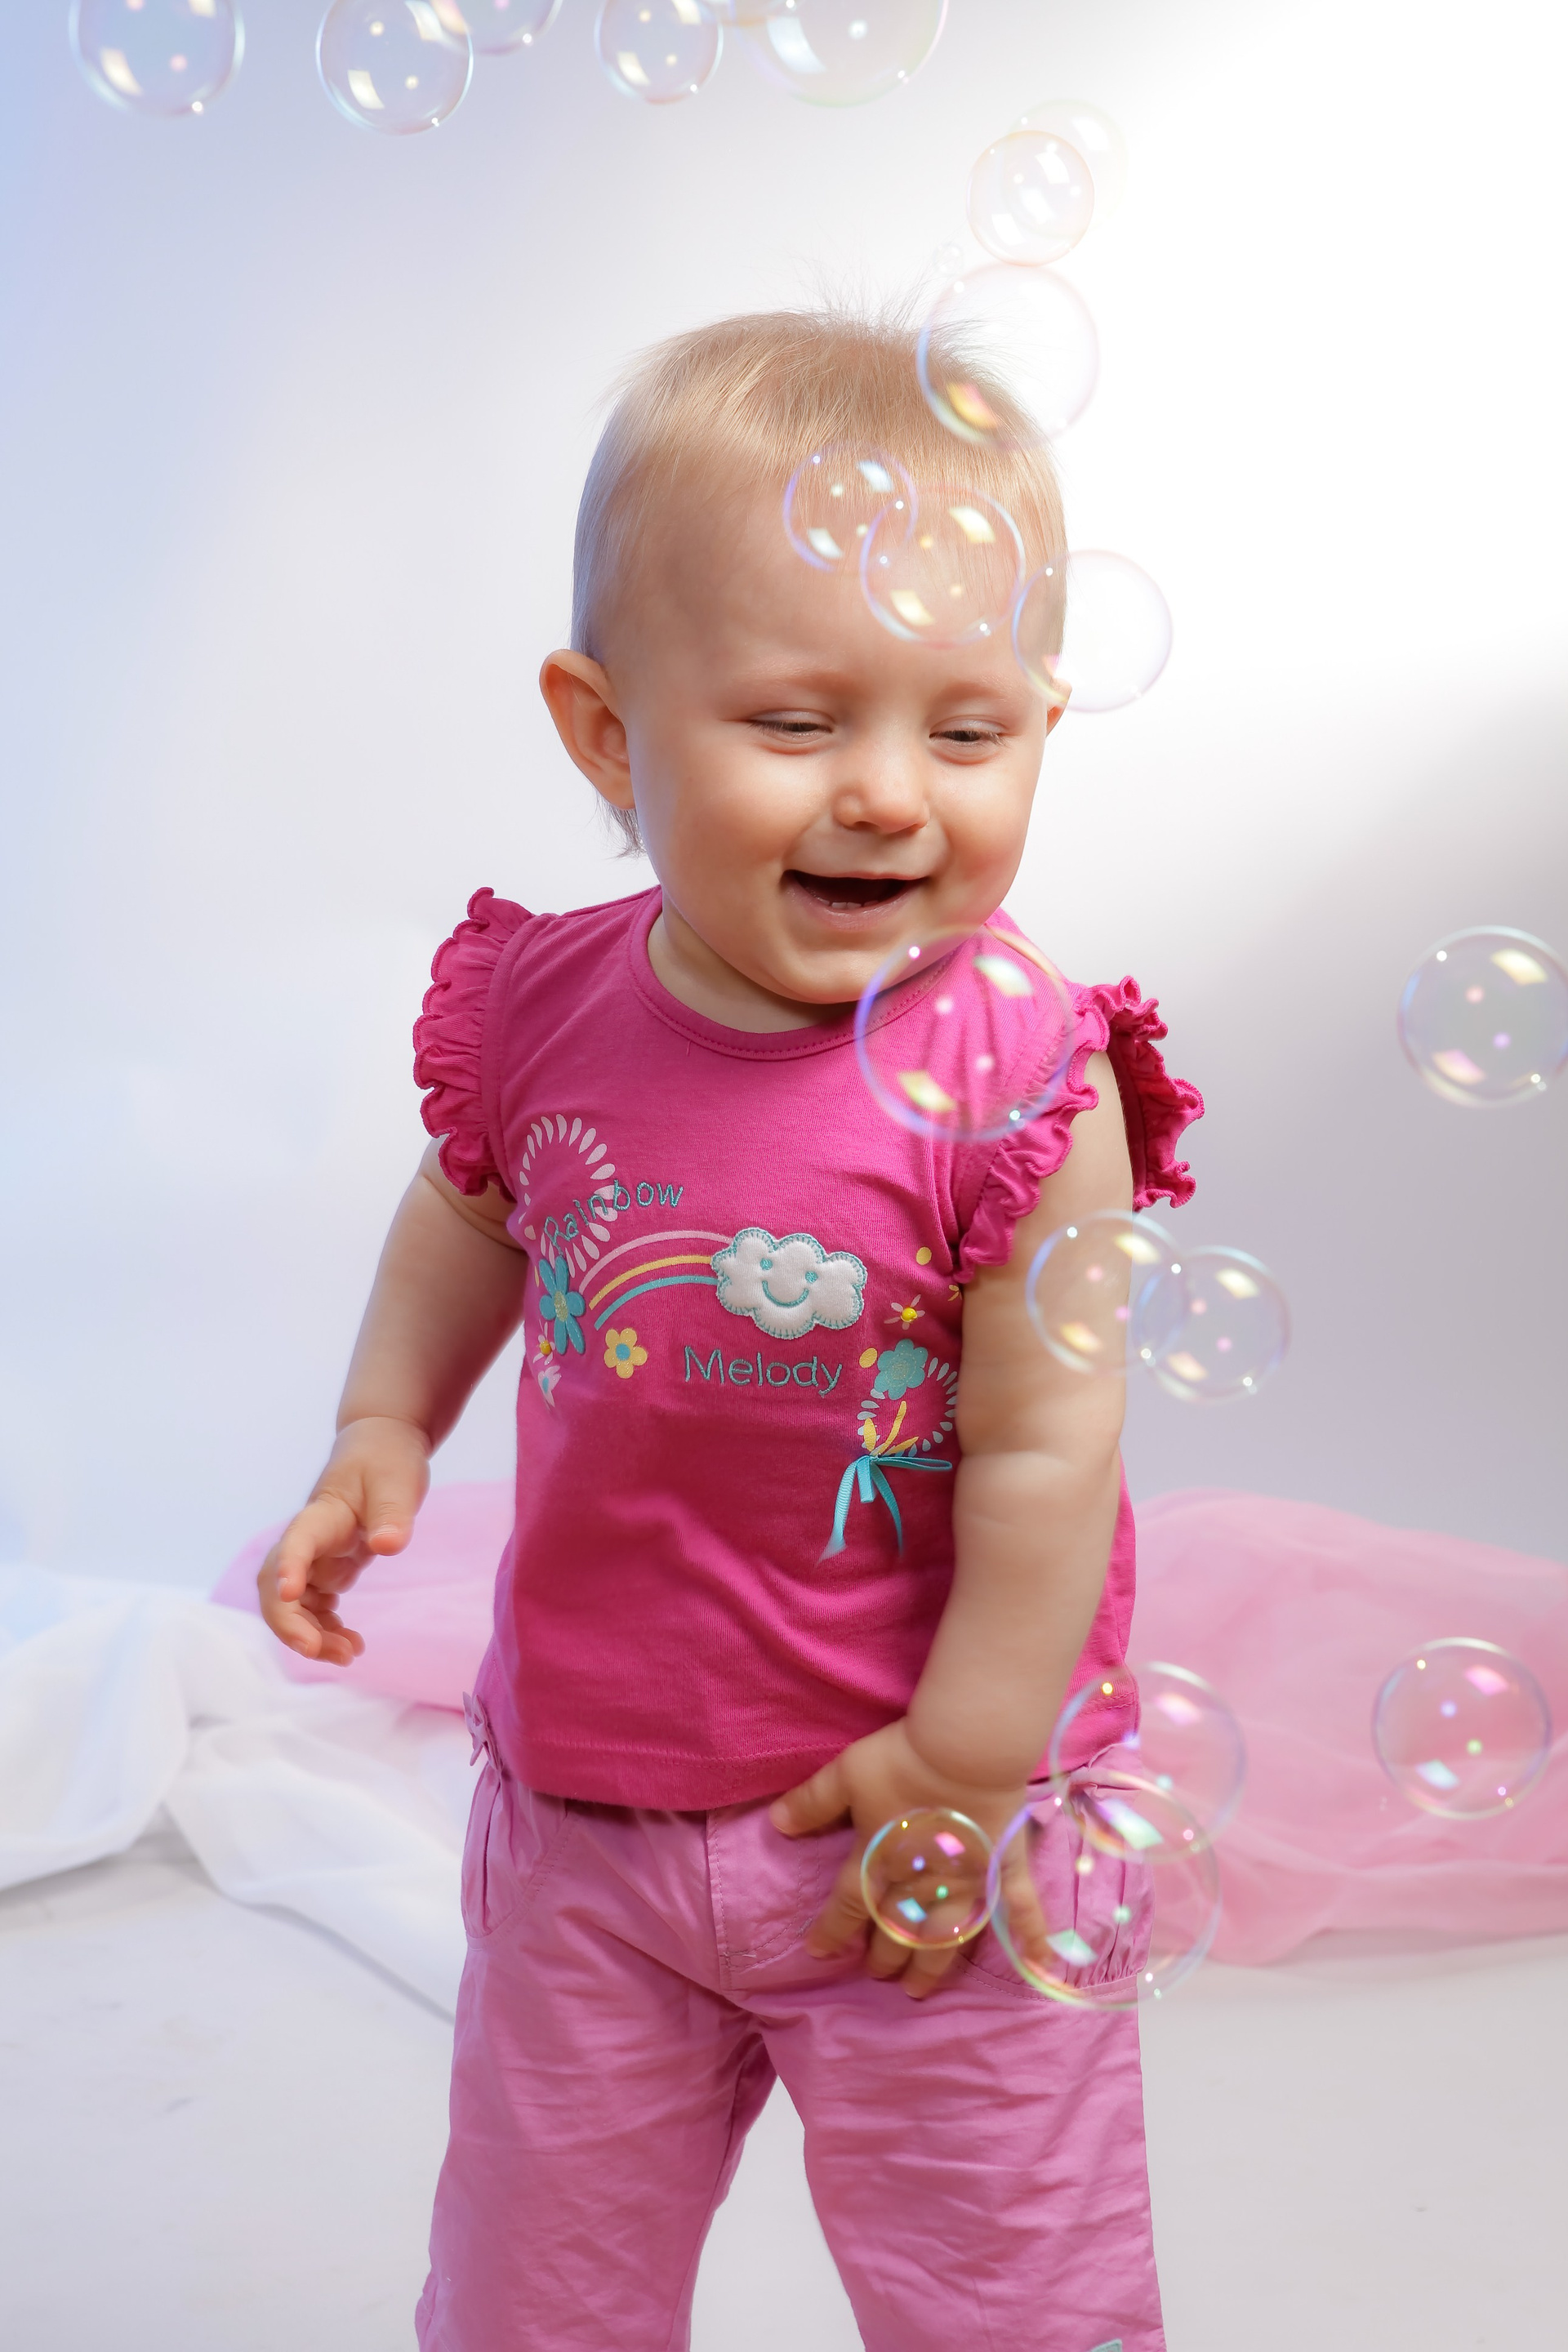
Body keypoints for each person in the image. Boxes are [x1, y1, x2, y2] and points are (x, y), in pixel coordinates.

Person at [256, 307, 1201, 2352]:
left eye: (969, 735)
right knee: (537, 2292)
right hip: (591, 1822)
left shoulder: (1034, 1079)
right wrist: (384, 1419)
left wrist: (967, 1758)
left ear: (1045, 721)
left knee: (1008, 2294)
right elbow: (471, 1208)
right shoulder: (544, 1008)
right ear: (608, 735)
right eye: (795, 722)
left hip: (932, 1827)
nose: (888, 796)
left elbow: (1050, 1451)